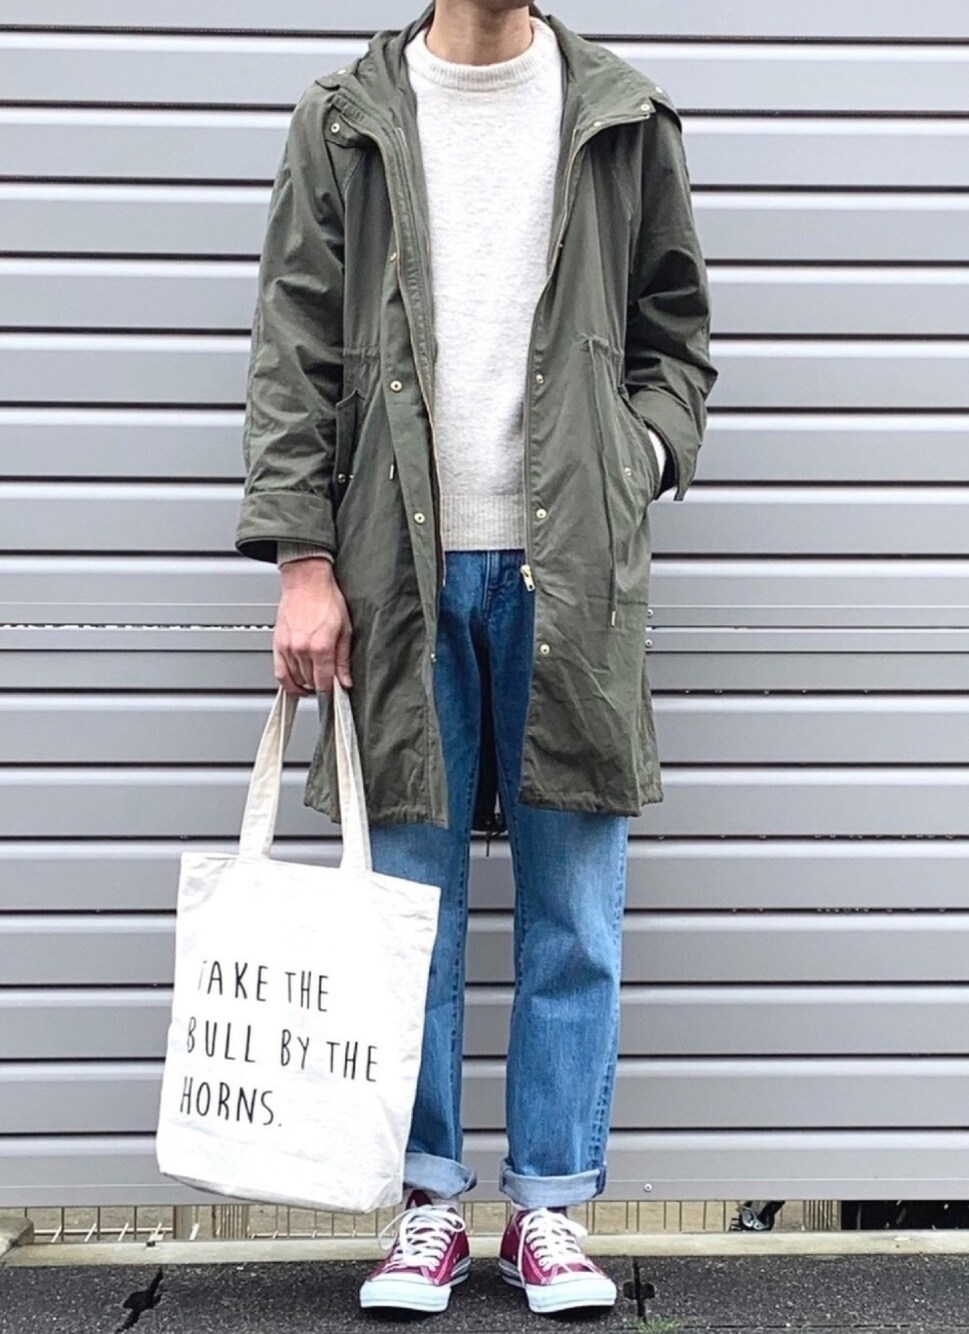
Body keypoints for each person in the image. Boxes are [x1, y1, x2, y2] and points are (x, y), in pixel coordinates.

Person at [235, 0, 716, 1317]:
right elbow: (294, 344)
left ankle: (550, 1205)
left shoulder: (623, 115)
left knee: (575, 906)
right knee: (409, 909)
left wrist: (634, 459)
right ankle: (427, 1202)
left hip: (573, 567)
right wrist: (303, 558)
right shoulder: (346, 118)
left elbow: (677, 337)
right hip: (395, 566)